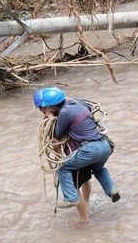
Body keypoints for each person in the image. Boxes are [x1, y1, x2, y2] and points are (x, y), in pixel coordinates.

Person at [39, 86, 120, 209]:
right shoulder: (78, 103)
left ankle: (71, 198)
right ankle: (111, 189)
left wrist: (50, 117)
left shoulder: (65, 112)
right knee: (98, 169)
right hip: (104, 145)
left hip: (90, 149)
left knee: (62, 167)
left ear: (53, 106)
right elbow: (88, 109)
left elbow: (57, 134)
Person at [33, 88, 94, 221]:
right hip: (86, 150)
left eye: (41, 108)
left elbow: (55, 143)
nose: (41, 111)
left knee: (73, 185)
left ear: (47, 107)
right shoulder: (72, 106)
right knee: (85, 179)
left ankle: (84, 217)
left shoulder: (50, 122)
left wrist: (60, 161)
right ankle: (87, 204)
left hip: (73, 154)